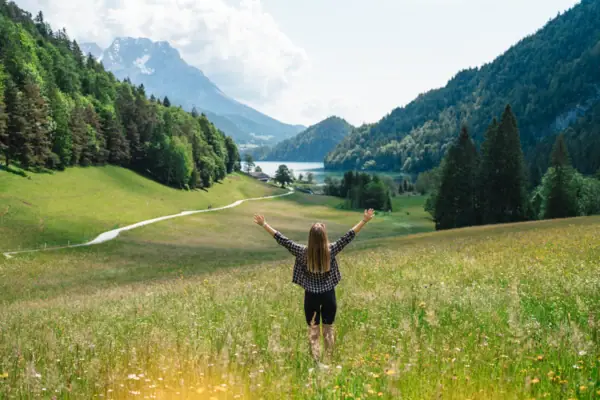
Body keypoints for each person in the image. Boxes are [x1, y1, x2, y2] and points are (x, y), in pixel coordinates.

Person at [253, 209, 375, 362]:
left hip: (311, 297)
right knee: (328, 329)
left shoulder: (302, 252)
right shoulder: (331, 250)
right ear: (324, 237)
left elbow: (282, 240)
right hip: (329, 295)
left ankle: (317, 362)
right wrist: (364, 220)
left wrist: (264, 224)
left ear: (310, 238)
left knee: (314, 330)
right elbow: (348, 236)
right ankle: (330, 360)